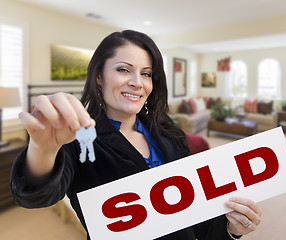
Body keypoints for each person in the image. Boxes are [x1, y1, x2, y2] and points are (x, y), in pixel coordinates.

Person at [10, 30, 262, 239]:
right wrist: (44, 148)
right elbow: (35, 197)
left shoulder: (170, 133)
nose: (137, 82)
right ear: (99, 75)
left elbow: (196, 217)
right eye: (123, 69)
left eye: (146, 73)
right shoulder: (77, 140)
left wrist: (231, 229)